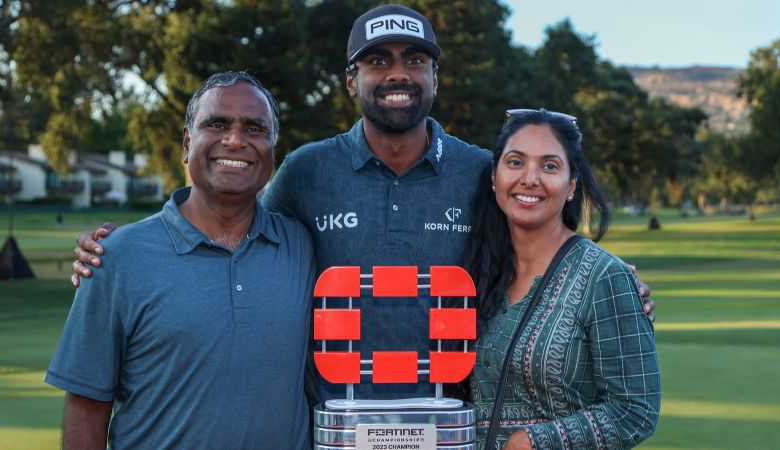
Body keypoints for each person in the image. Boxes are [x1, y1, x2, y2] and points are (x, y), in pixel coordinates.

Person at [69, 4, 654, 403]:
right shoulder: (306, 170)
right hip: (332, 425)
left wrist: (607, 282)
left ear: (435, 76)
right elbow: (235, 228)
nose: (397, 74)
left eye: (414, 60)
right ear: (351, 80)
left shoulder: (483, 169)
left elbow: (542, 240)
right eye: (378, 61)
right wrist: (123, 252)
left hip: (453, 425)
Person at [45, 72, 315, 449]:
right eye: (217, 124)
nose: (235, 140)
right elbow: (87, 406)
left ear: (272, 147)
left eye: (255, 128)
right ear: (187, 144)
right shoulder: (117, 257)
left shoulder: (303, 245)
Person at [463, 109, 660, 449]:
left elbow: (635, 410)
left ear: (571, 186)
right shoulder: (480, 270)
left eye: (549, 166)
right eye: (515, 162)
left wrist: (532, 442)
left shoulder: (604, 276)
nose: (529, 178)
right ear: (494, 177)